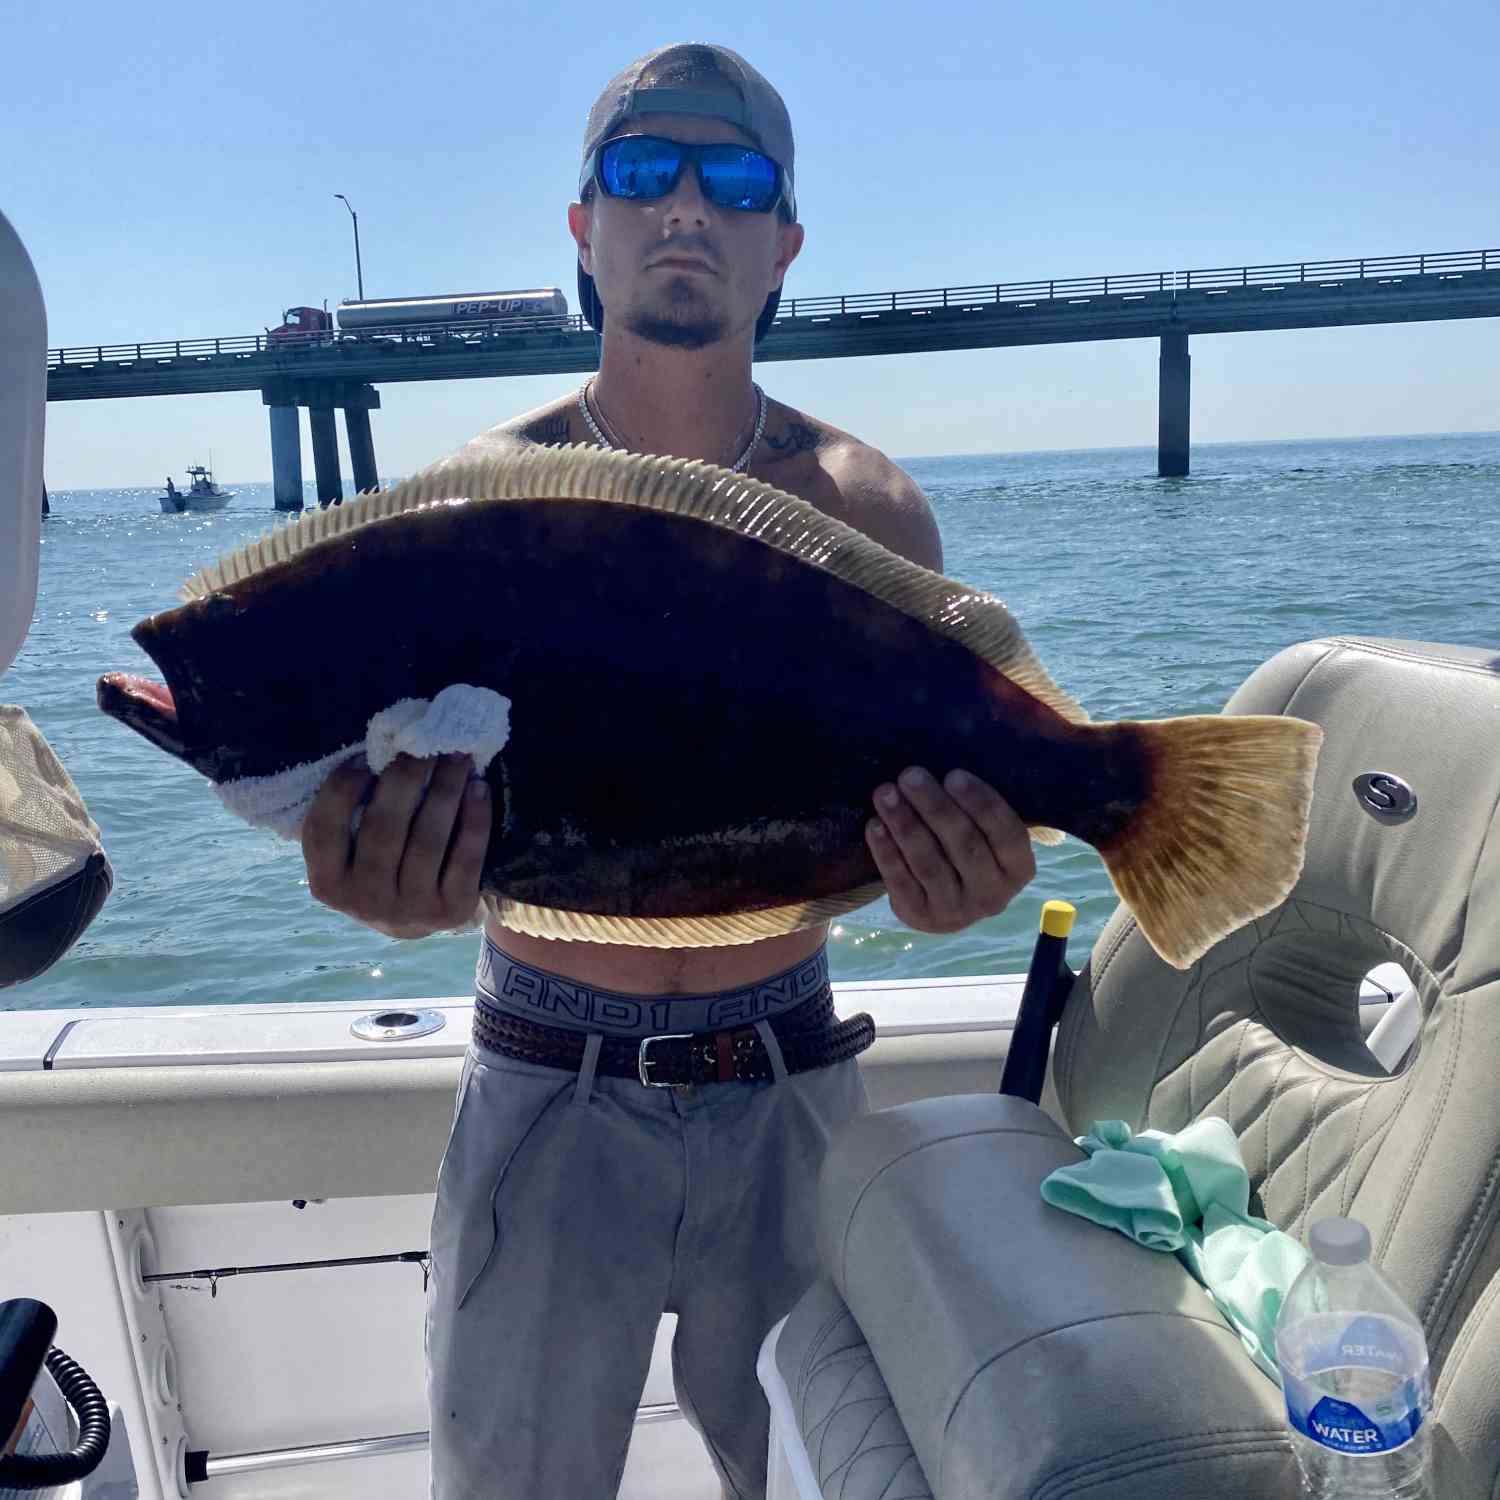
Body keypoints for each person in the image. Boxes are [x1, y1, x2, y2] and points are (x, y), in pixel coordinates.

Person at [299, 43, 1037, 1500]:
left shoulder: (874, 510)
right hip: (539, 1077)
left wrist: (959, 885)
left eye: (734, 180)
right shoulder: (476, 503)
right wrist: (373, 878)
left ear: (783, 247)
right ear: (586, 228)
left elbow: (910, 807)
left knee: (832, 1475)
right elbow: (380, 794)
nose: (685, 206)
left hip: (794, 1072)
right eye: (643, 174)